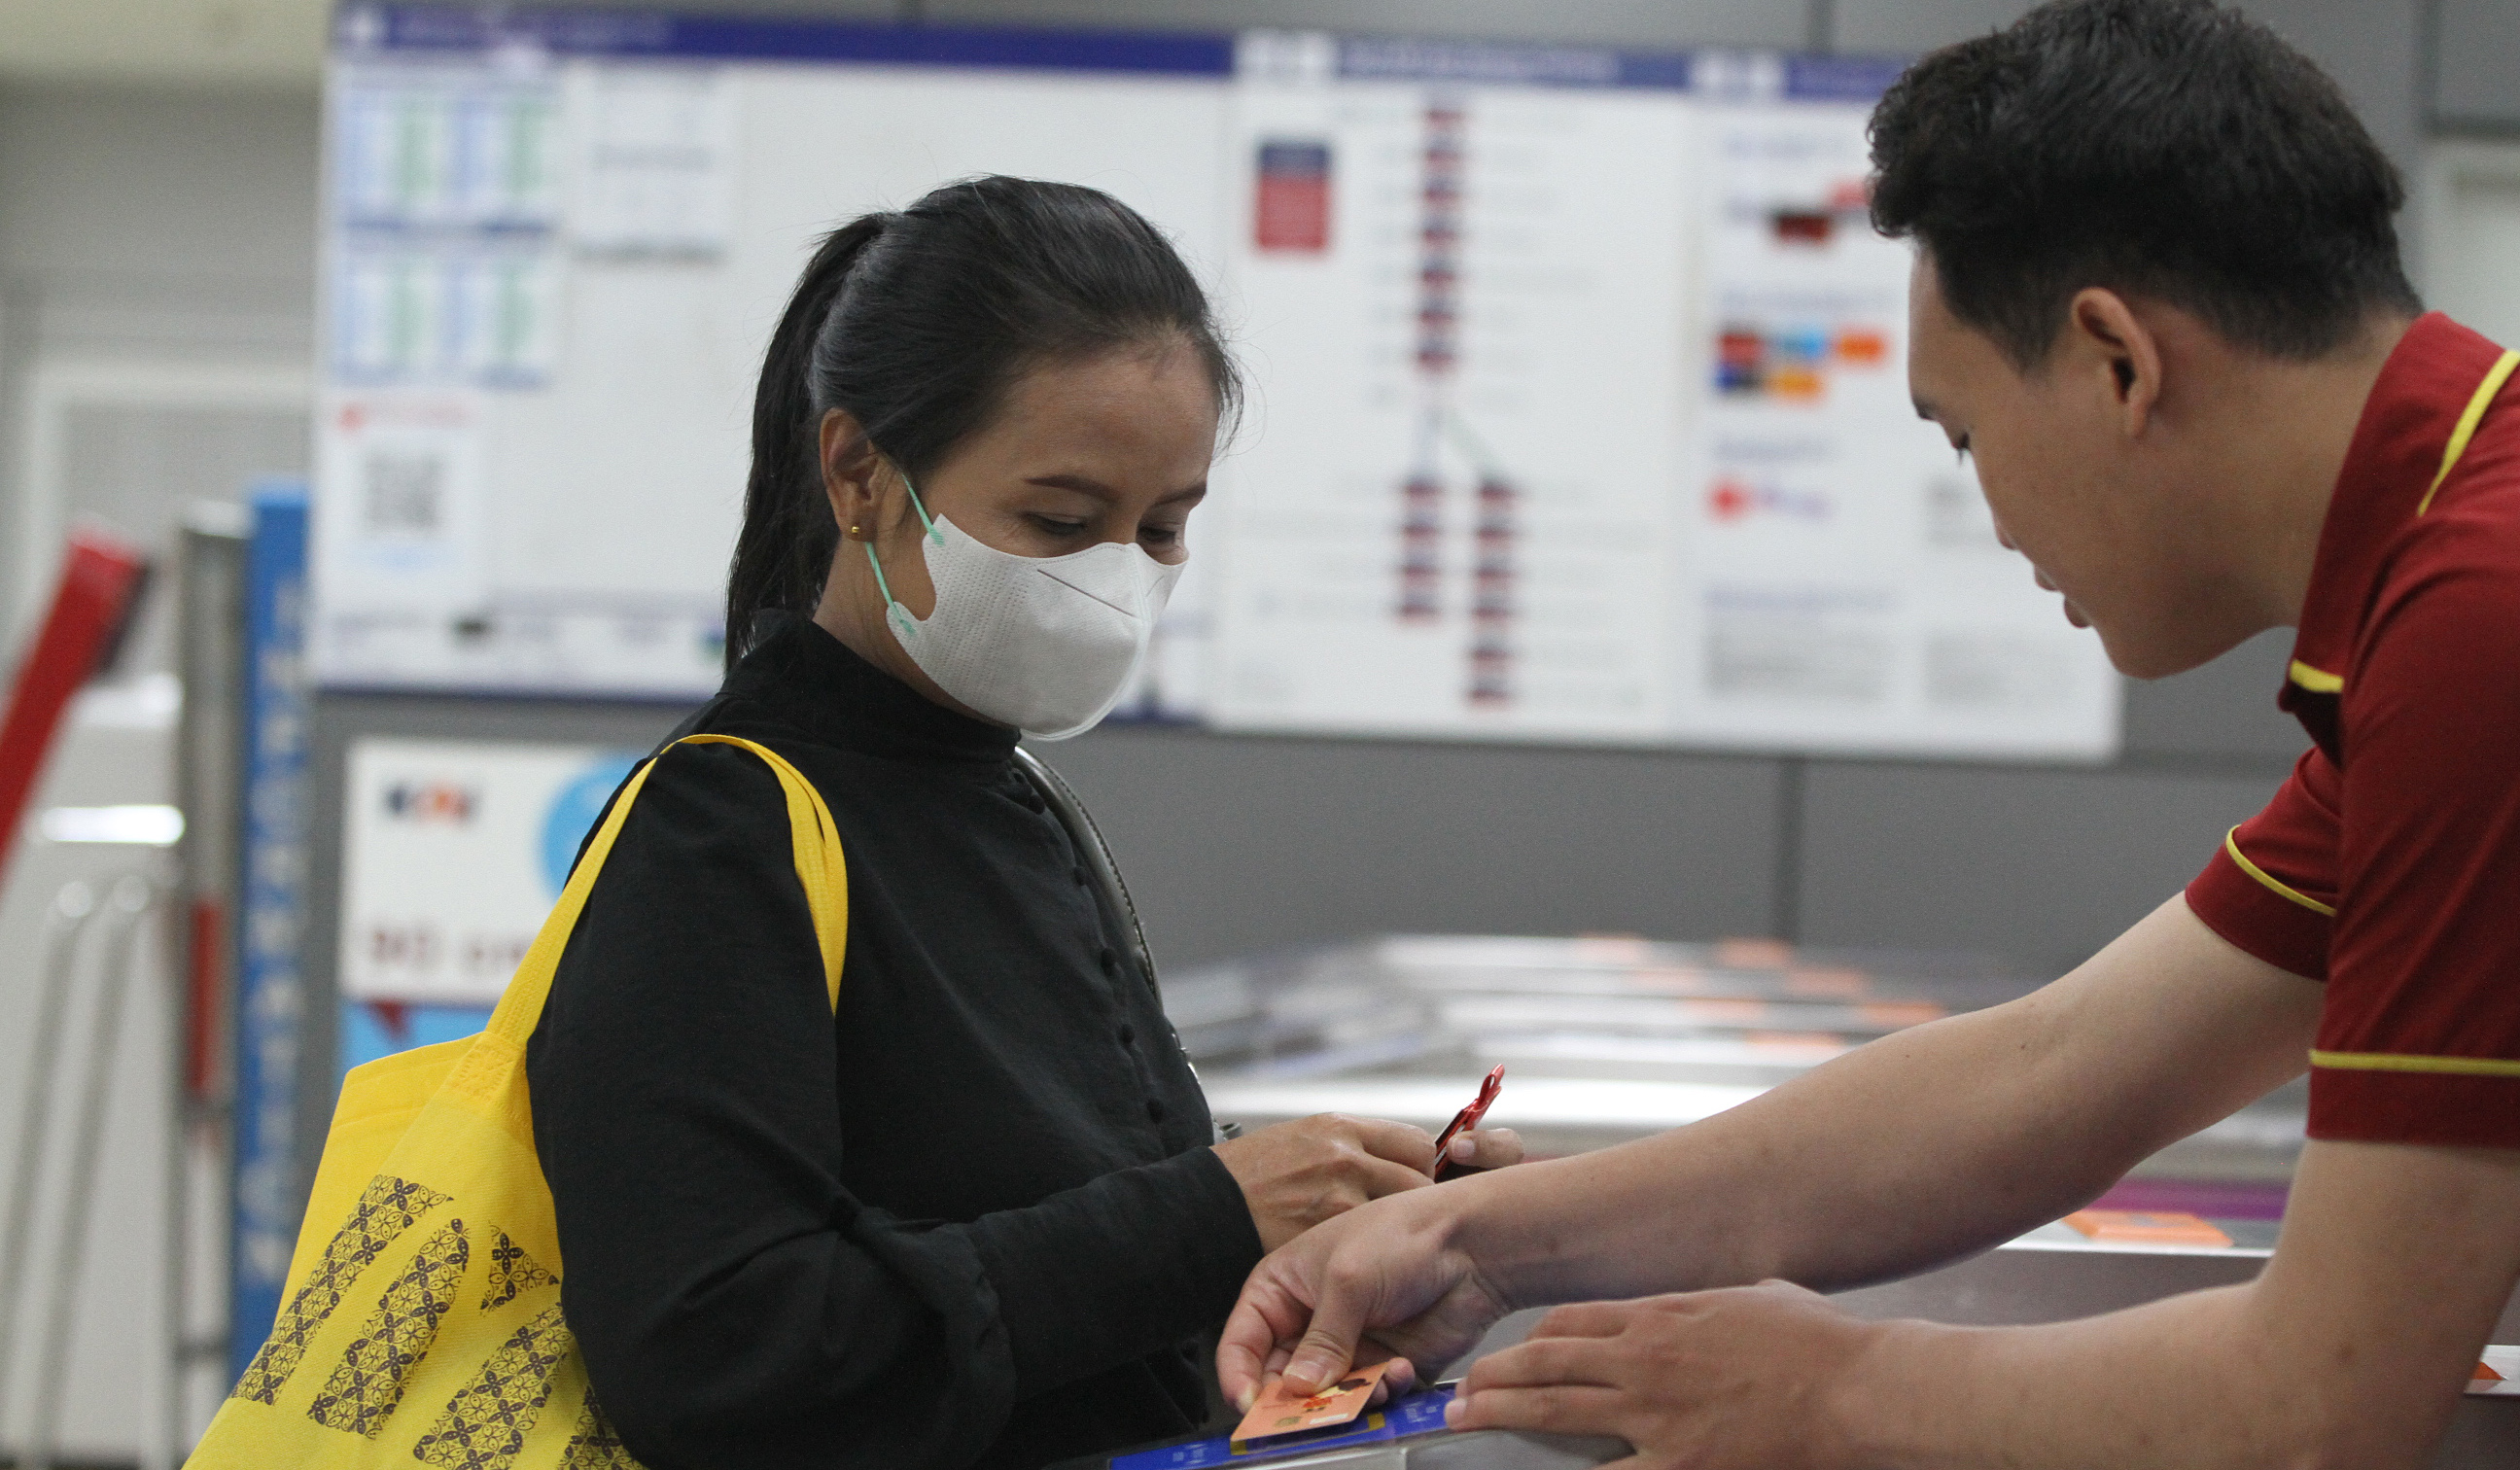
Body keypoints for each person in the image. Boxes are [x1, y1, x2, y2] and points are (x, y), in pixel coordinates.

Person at [1216, 4, 2520, 1465]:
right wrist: (1477, 1239)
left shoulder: (2483, 622)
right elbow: (2056, 1074)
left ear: (2116, 361)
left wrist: (1832, 1391)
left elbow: (2324, 1401)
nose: (1994, 517)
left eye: (1963, 436)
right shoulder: (2447, 577)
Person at [528, 176, 1521, 1470]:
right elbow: (711, 1360)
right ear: (858, 473)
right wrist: (1211, 1217)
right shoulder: (725, 829)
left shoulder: (1017, 799)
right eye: (1060, 521)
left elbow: (1069, 1291)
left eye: (1162, 528)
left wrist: (1336, 1255)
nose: (1115, 579)